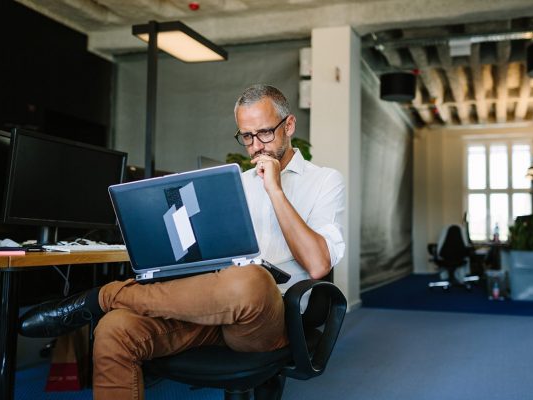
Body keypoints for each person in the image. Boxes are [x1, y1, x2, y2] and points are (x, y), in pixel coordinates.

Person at [19, 84, 346, 399]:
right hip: (209, 305)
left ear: (289, 125)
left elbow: (318, 264)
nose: (257, 145)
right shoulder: (235, 182)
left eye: (264, 133)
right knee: (115, 329)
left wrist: (274, 189)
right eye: (247, 136)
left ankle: (102, 296)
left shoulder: (325, 181)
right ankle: (108, 305)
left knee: (251, 279)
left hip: (269, 316)